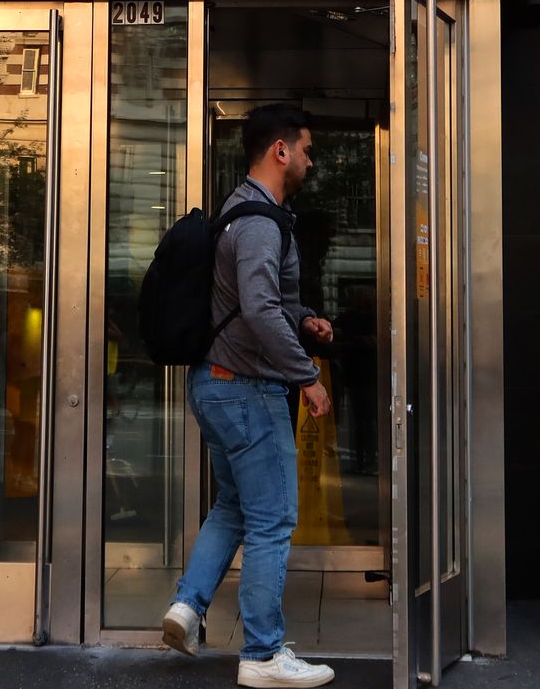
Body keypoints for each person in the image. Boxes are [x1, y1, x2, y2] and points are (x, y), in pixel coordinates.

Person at [162, 103, 337, 689]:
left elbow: (252, 303)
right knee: (272, 521)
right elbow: (259, 308)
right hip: (247, 391)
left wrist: (305, 317)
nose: (311, 161)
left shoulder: (239, 213)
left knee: (233, 507)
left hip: (218, 385)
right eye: (306, 150)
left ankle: (187, 608)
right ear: (280, 151)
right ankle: (262, 655)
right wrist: (305, 377)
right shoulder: (261, 221)